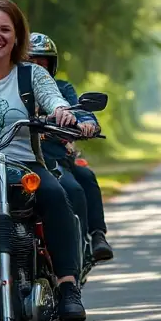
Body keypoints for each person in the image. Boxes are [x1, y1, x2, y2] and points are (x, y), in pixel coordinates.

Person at [0, 0, 88, 321]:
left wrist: (61, 112)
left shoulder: (31, 76)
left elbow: (54, 99)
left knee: (57, 196)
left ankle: (68, 285)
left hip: (22, 167)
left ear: (17, 37)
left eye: (5, 29)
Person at [28, 32, 114, 263]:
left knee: (79, 182)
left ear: (51, 64)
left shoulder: (61, 88)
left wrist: (87, 124)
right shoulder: (11, 88)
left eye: (41, 62)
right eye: (30, 62)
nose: (36, 67)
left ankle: (88, 241)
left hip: (55, 156)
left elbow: (78, 110)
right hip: (18, 157)